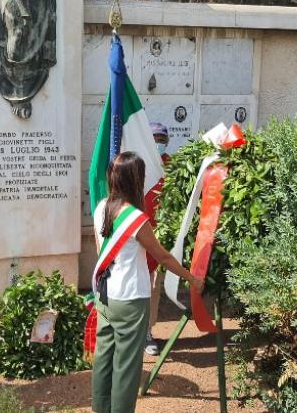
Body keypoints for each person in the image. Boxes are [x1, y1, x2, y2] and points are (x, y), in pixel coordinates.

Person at [92, 152, 203, 413]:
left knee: (104, 357)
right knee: (127, 366)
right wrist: (192, 278)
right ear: (135, 179)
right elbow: (162, 256)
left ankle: (100, 408)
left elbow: (100, 252)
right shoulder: (135, 219)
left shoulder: (101, 208)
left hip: (105, 294)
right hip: (130, 298)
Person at [144, 122, 171, 355]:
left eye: (162, 140)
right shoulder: (137, 164)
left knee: (153, 286)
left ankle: (147, 332)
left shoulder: (172, 167)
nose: (158, 144)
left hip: (159, 237)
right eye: (155, 140)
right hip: (137, 235)